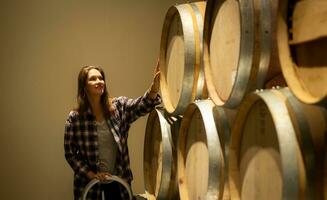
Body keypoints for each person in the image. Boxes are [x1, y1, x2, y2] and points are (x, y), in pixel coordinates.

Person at [64, 62, 161, 200]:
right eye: (93, 79)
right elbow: (70, 153)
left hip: (118, 181)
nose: (99, 81)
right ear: (84, 86)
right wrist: (90, 174)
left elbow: (140, 106)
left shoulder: (119, 107)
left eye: (101, 78)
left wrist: (153, 89)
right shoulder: (75, 118)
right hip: (89, 184)